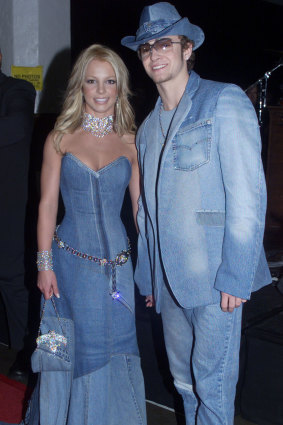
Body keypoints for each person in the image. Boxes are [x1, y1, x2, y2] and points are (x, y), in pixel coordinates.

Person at [121, 3, 272, 425]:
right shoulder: (148, 128)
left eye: (165, 43)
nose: (155, 54)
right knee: (183, 382)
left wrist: (237, 275)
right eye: (147, 46)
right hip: (167, 282)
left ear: (187, 48)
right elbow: (146, 211)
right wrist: (149, 275)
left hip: (216, 276)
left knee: (212, 384)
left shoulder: (223, 101)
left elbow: (247, 196)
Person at [23, 44, 147, 425]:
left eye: (110, 81)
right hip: (70, 268)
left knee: (121, 348)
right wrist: (45, 266)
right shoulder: (59, 139)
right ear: (80, 86)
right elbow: (45, 206)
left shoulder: (131, 140)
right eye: (92, 81)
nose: (101, 90)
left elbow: (141, 211)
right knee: (76, 352)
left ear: (120, 86)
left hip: (119, 270)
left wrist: (154, 269)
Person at [0, 48, 35, 373]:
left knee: (12, 278)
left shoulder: (16, 90)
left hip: (10, 209)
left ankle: (28, 352)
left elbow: (19, 127)